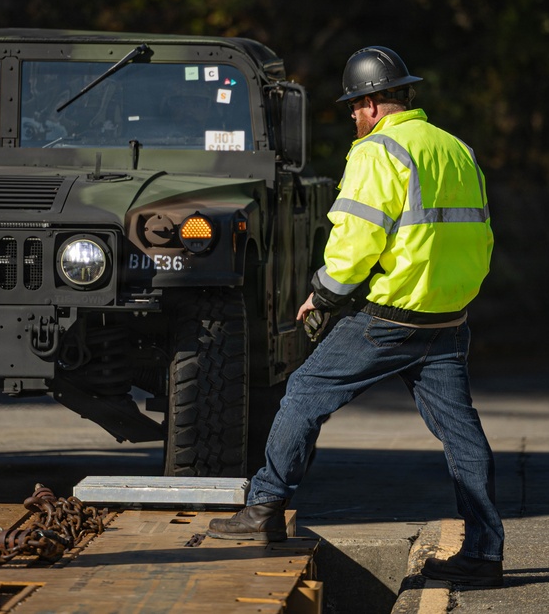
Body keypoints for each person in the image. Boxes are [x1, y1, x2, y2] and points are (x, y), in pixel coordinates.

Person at [207, 46, 505, 588]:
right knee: (461, 434)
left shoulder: (377, 151)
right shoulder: (457, 148)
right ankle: (484, 553)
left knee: (303, 394)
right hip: (447, 317)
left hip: (391, 316)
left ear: (370, 103)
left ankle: (264, 508)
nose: (351, 116)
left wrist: (322, 295)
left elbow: (356, 241)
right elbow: (481, 233)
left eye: (352, 106)